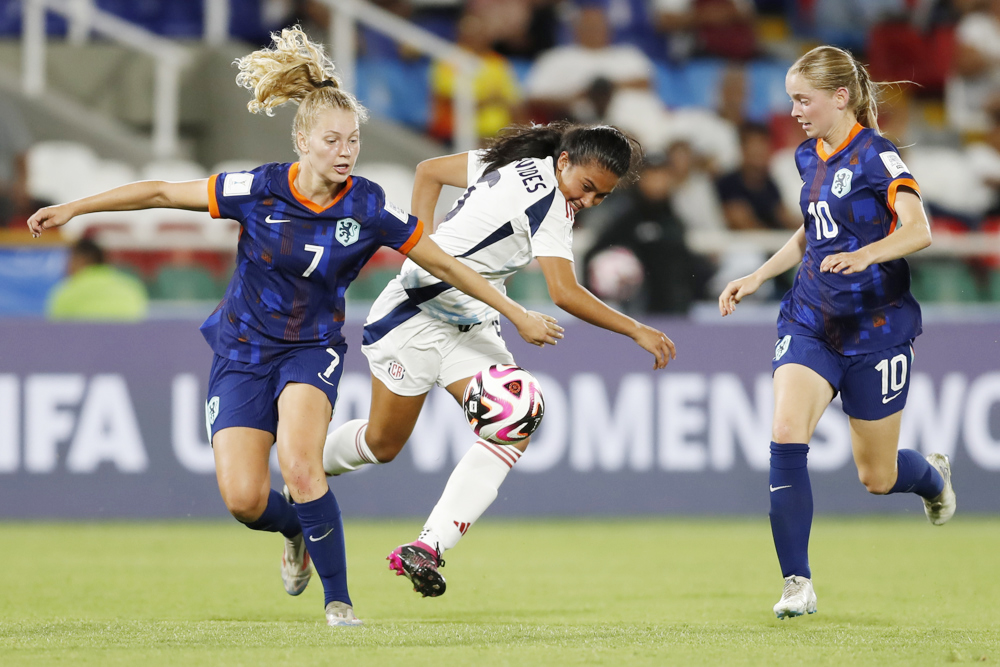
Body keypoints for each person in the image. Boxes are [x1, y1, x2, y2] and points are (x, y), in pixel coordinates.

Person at [27, 26, 560, 628]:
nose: (345, 151)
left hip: (311, 350)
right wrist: (75, 207)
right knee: (245, 499)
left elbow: (439, 260)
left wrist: (514, 312)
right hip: (241, 350)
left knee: (302, 466)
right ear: (302, 139)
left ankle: (340, 606)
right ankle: (297, 533)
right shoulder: (256, 189)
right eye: (332, 140)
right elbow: (157, 191)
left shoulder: (367, 204)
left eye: (353, 140)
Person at [321, 121, 677, 598]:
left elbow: (428, 173)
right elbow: (564, 293)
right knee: (382, 444)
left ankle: (428, 546)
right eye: (587, 188)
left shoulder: (514, 165)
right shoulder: (550, 201)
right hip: (412, 319)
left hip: (468, 326)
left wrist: (421, 242)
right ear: (565, 162)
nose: (589, 202)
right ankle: (303, 472)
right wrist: (635, 328)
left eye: (602, 197)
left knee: (517, 415)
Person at [718, 46, 957, 620]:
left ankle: (931, 478)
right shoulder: (807, 157)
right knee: (785, 431)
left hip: (876, 329)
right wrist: (757, 274)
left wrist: (867, 255)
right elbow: (811, 231)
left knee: (877, 476)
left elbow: (918, 228)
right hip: (810, 321)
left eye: (803, 99)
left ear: (840, 97)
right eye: (791, 100)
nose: (794, 110)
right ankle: (796, 582)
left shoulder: (878, 155)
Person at [46, 238, 149, 321]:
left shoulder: (66, 292)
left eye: (69, 261)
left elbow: (57, 333)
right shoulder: (132, 287)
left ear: (80, 260)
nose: (66, 267)